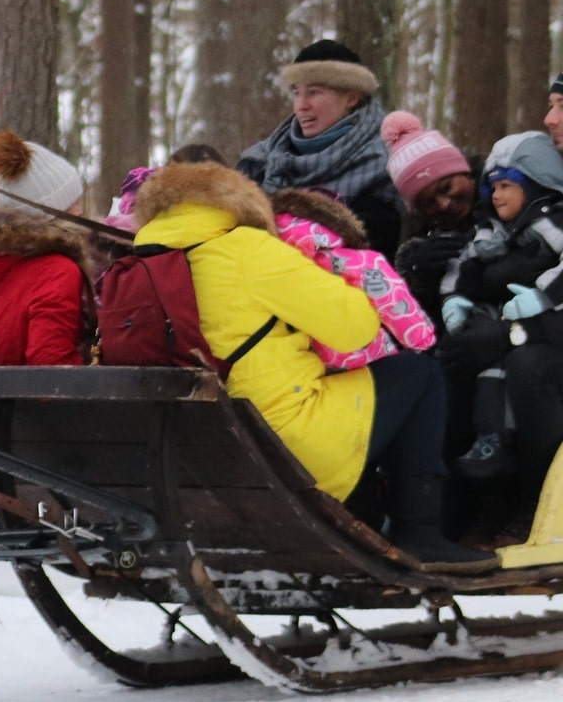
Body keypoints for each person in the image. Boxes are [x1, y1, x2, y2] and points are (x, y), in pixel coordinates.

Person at [128, 160, 493, 570]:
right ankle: (419, 530)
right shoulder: (246, 250)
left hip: (184, 449)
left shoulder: (138, 262)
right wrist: (342, 272)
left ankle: (367, 518)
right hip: (274, 442)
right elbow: (353, 328)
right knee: (419, 375)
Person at [437, 134, 563, 481]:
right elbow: (465, 263)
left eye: (507, 185)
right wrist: (454, 298)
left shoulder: (550, 220)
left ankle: (524, 473)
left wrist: (543, 297)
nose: (497, 195)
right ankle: (488, 439)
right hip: (504, 319)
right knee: (475, 363)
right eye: (493, 187)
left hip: (542, 330)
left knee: (521, 366)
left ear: (537, 186)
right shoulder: (494, 230)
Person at [236, 39, 404, 258]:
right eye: (296, 92)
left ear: (352, 97)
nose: (301, 105)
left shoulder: (385, 165)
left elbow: (371, 254)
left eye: (314, 92)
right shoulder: (259, 162)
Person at [0, 131, 92, 366]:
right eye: (71, 203)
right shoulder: (57, 271)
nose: (80, 211)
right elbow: (51, 366)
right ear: (50, 212)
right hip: (36, 401)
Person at [269, 187, 435, 371]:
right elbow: (391, 297)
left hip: (306, 370)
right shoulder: (348, 260)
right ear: (338, 219)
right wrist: (423, 341)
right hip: (364, 358)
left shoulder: (271, 263)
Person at [383, 112, 476, 326]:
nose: (443, 204)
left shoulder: (506, 203)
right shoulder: (419, 240)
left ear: (464, 171)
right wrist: (419, 276)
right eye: (427, 203)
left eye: (446, 187)